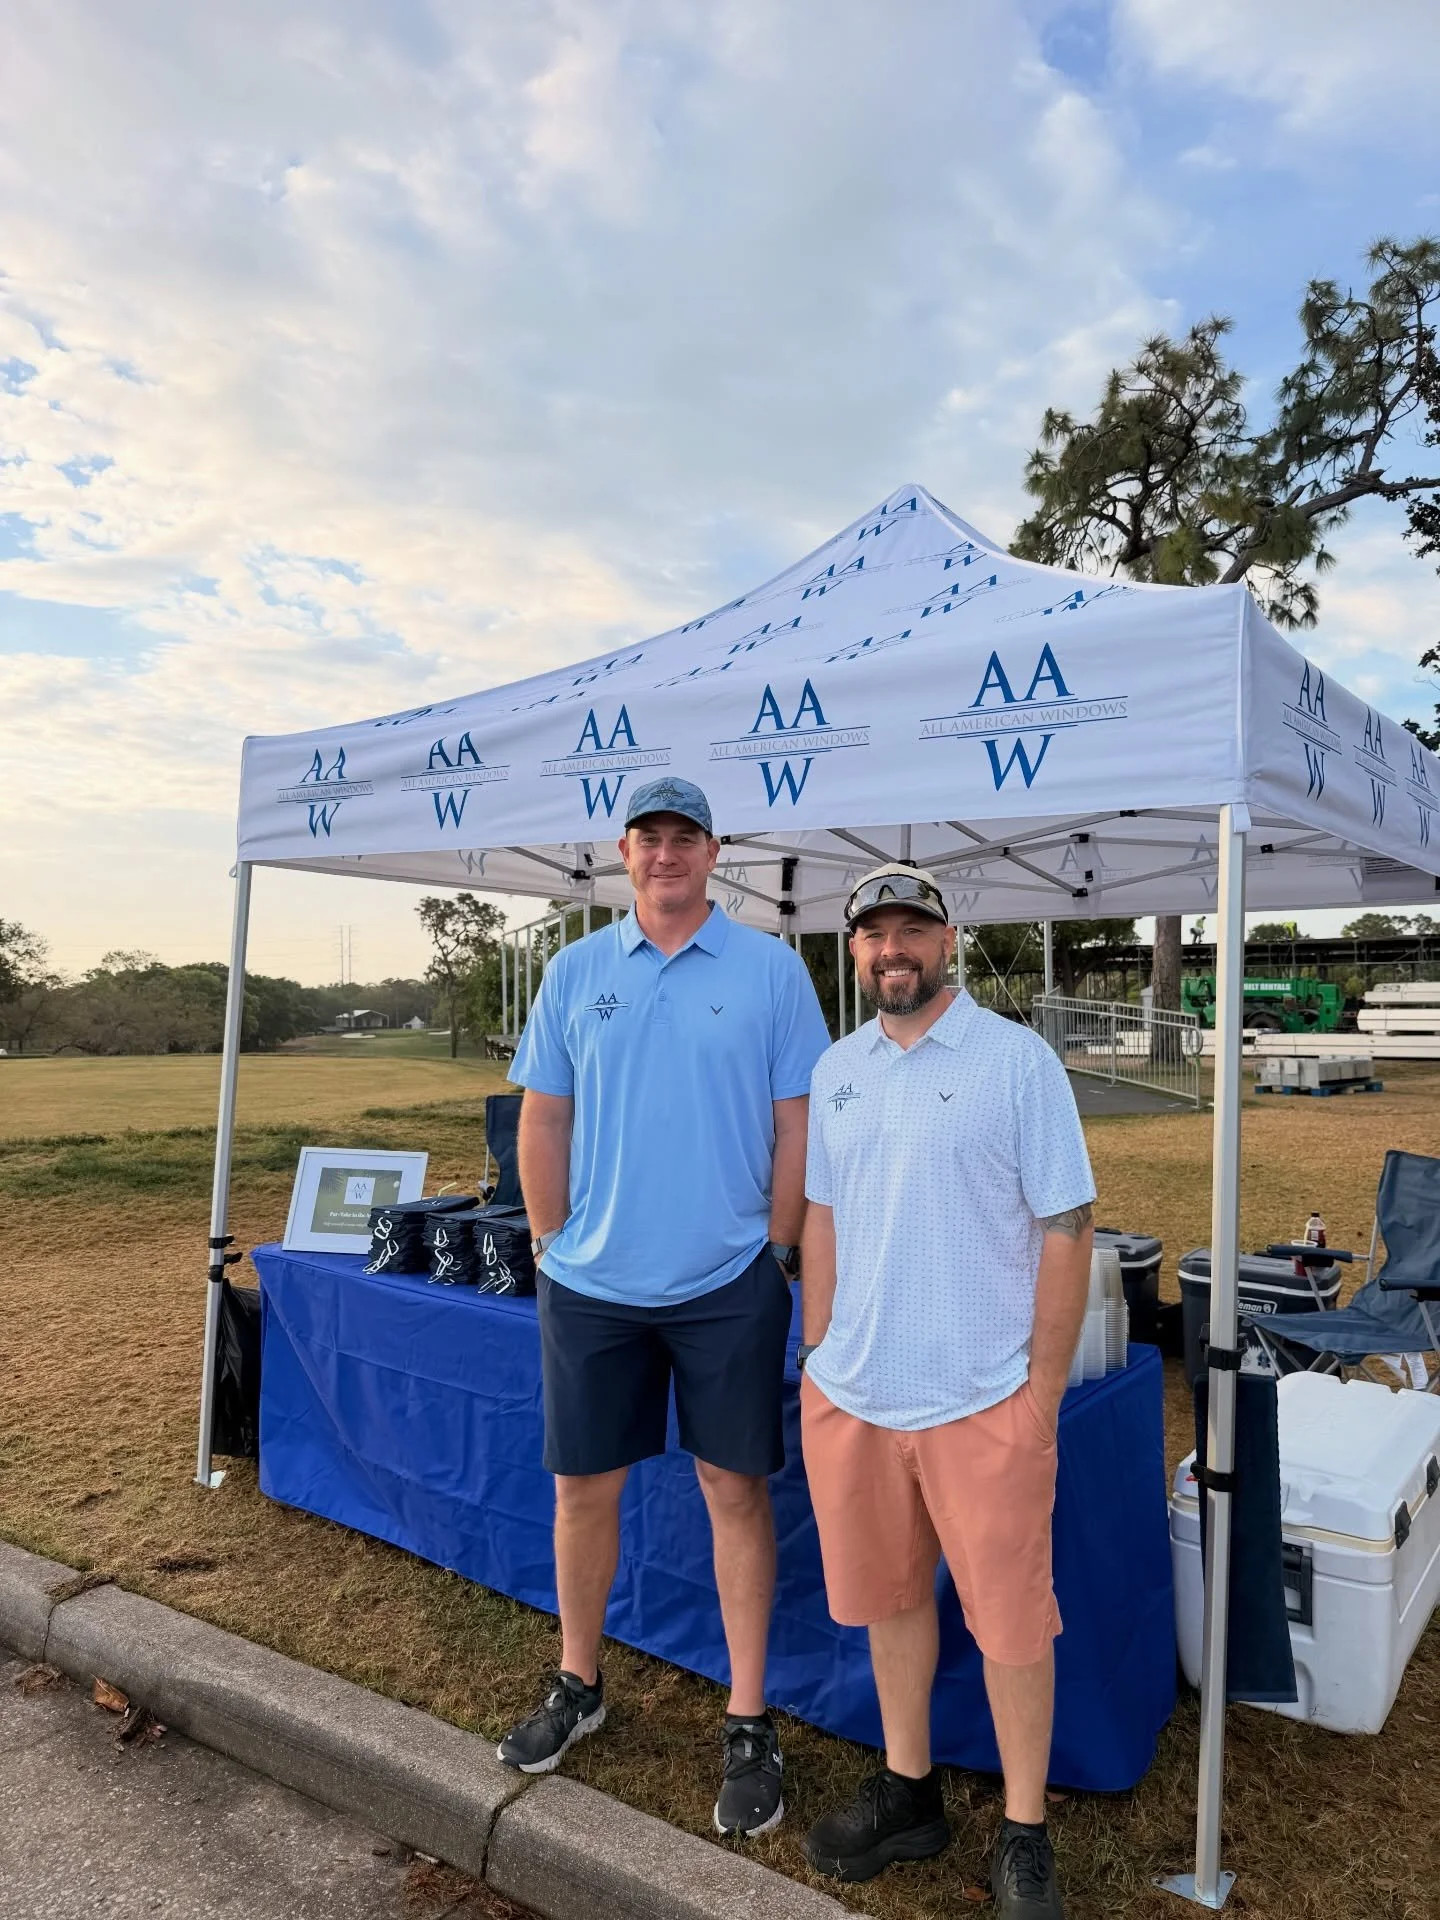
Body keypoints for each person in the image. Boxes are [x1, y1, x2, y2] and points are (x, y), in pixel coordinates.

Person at [498, 776, 831, 1840]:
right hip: (590, 1287)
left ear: (713, 851)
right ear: (623, 852)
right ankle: (579, 1682)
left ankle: (747, 1718)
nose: (667, 853)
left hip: (727, 1284)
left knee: (736, 1495)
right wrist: (551, 1243)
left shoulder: (772, 971)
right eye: (649, 837)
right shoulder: (575, 968)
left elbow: (799, 1127)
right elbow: (541, 1119)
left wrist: (775, 1252)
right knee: (581, 1492)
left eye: (685, 837)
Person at [798, 864, 1095, 1919]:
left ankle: (1023, 1832)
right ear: (856, 951)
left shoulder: (1018, 1063)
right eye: (873, 933)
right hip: (858, 1396)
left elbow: (1068, 1226)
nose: (892, 950)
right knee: (888, 1604)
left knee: (1012, 1623)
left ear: (950, 939)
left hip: (983, 1400)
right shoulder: (838, 1070)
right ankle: (909, 1789)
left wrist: (1041, 1396)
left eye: (911, 929)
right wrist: (816, 1353)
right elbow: (822, 1219)